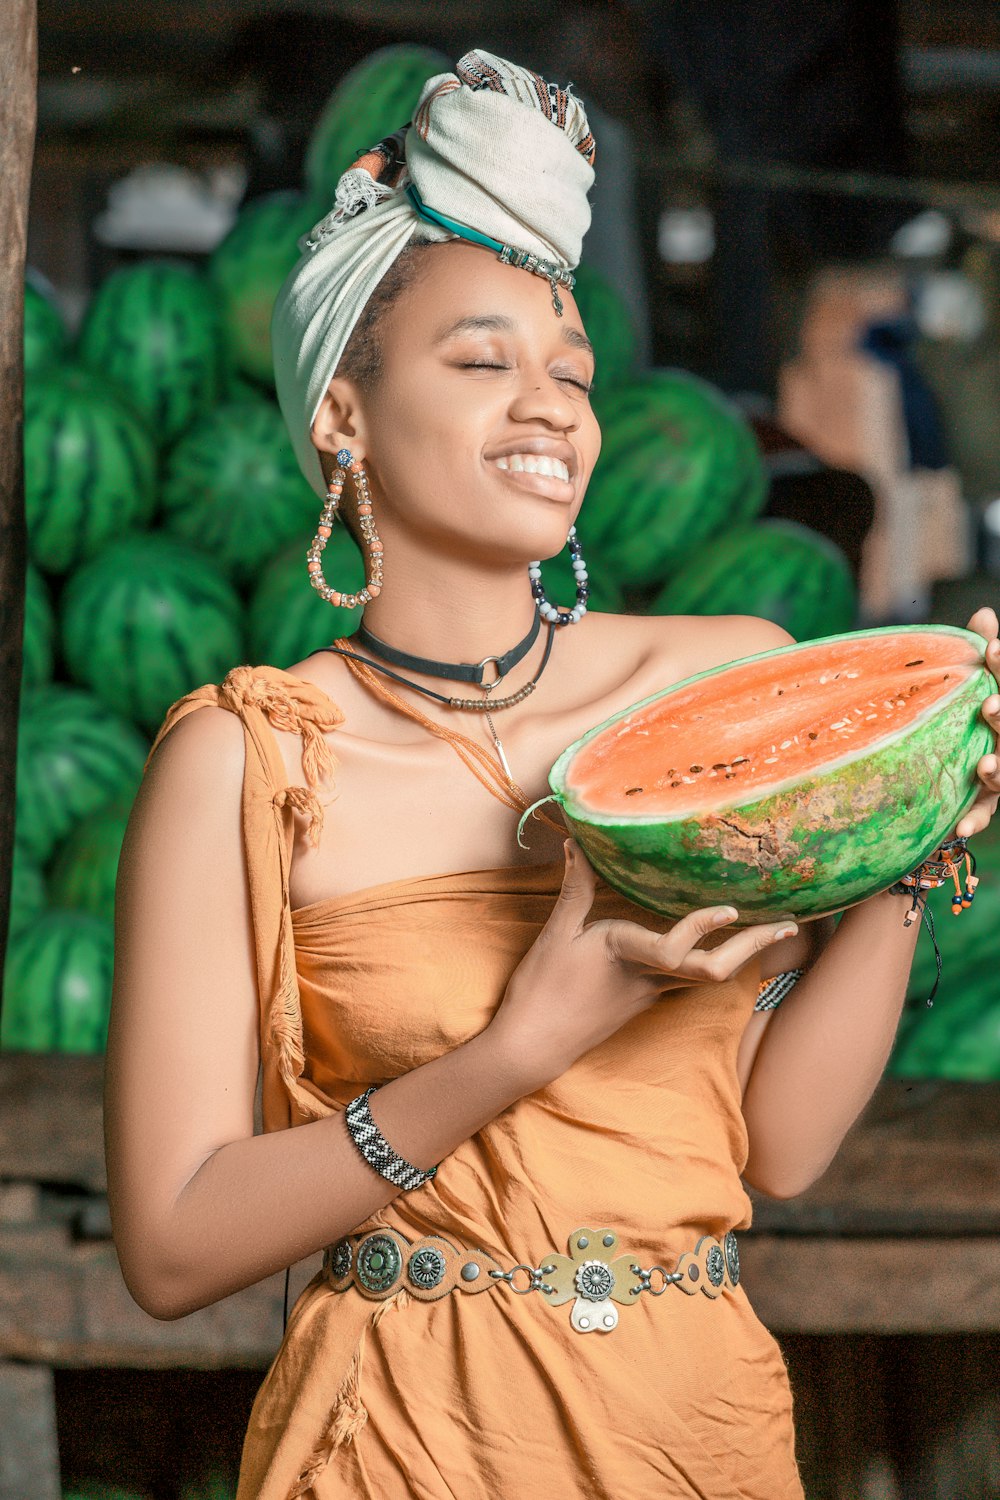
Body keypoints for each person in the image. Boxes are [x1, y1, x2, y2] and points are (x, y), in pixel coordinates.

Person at [104, 50, 1000, 1500]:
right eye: (482, 362)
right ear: (341, 411)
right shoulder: (246, 758)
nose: (550, 409)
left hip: (693, 1432)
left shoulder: (726, 677)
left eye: (572, 374)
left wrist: (909, 842)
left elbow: (780, 1144)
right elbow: (172, 1242)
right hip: (396, 1441)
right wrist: (516, 1051)